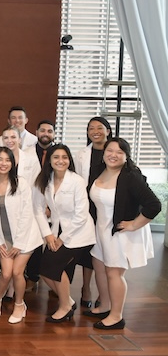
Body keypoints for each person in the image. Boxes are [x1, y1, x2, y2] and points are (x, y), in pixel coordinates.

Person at [85, 138, 161, 330]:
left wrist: (135, 224)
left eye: (119, 152)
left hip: (120, 232)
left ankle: (116, 316)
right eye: (110, 150)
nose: (113, 155)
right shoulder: (97, 170)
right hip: (101, 229)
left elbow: (154, 205)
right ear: (104, 153)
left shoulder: (131, 176)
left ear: (126, 156)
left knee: (114, 272)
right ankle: (104, 306)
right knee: (99, 265)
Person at [32, 144, 96, 323]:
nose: (61, 161)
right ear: (50, 161)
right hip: (56, 230)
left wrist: (61, 239)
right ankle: (67, 300)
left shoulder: (77, 181)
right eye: (56, 157)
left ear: (69, 160)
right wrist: (48, 235)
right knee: (45, 270)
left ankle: (65, 306)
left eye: (64, 157)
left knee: (54, 268)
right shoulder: (44, 180)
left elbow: (81, 215)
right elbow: (37, 209)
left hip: (79, 233)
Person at [0, 147, 43, 324]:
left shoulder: (21, 183)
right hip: (4, 238)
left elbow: (27, 215)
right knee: (6, 273)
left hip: (25, 237)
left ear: (13, 163)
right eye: (0, 159)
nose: (3, 163)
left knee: (17, 272)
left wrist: (18, 243)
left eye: (7, 160)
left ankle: (19, 304)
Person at [74, 116, 113, 309]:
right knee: (88, 248)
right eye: (91, 128)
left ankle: (104, 294)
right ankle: (86, 288)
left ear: (108, 130)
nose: (95, 131)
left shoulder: (115, 151)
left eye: (99, 127)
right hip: (87, 205)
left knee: (105, 250)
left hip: (107, 206)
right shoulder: (82, 153)